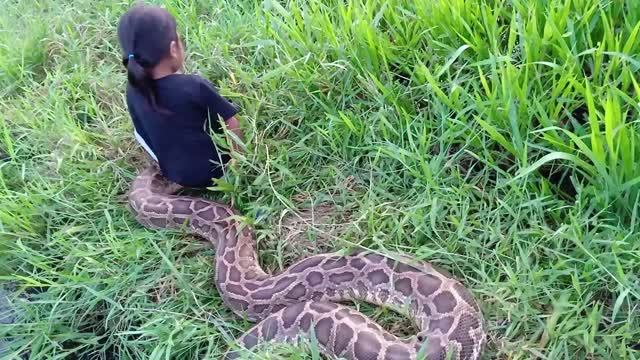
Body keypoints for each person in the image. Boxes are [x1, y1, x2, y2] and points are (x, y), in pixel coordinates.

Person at [117, 3, 243, 188]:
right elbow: (232, 123)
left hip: (176, 175)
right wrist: (239, 163)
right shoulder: (194, 86)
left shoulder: (133, 90)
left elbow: (142, 135)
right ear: (173, 48)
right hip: (218, 172)